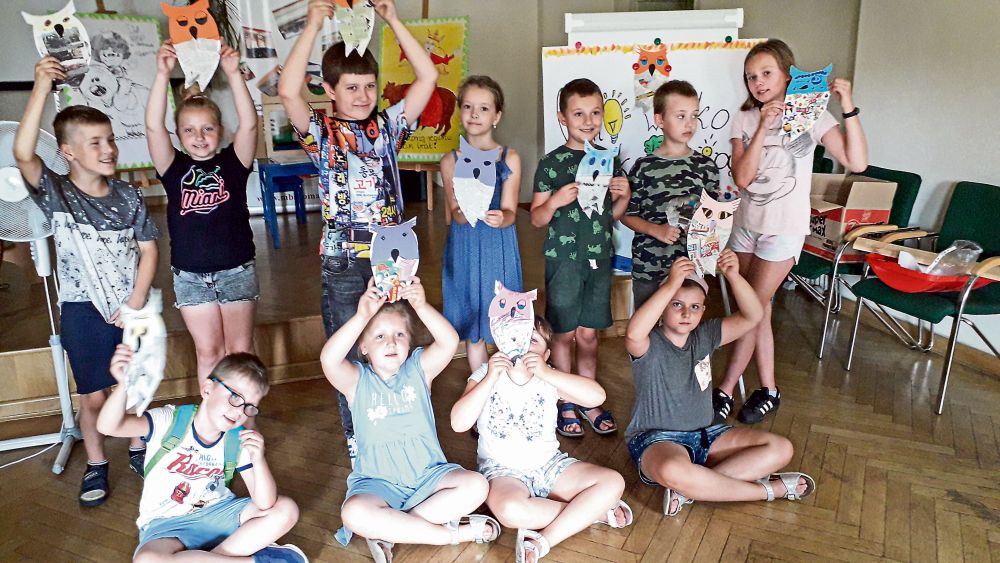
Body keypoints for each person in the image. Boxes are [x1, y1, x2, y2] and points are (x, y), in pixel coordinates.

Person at [277, 0, 438, 459]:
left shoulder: (388, 127)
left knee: (397, 344)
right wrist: (312, 24)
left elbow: (427, 77)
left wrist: (394, 21)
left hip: (393, 256)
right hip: (344, 260)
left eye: (369, 86)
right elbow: (288, 91)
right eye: (351, 87)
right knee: (350, 351)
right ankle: (359, 441)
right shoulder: (321, 133)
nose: (363, 96)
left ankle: (404, 427)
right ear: (329, 89)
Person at [13, 57, 160, 506]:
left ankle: (138, 448)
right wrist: (41, 86)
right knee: (93, 394)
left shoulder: (130, 195)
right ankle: (97, 462)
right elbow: (22, 154)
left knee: (133, 386)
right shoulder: (57, 193)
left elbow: (149, 251)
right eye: (95, 142)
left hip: (131, 310)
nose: (109, 148)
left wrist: (135, 301)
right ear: (68, 152)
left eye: (110, 139)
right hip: (82, 311)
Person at [715, 39, 868, 424]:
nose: (758, 82)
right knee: (759, 308)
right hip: (745, 226)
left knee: (750, 309)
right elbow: (742, 178)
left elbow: (857, 163)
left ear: (787, 74)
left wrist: (848, 106)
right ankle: (768, 389)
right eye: (751, 77)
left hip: (782, 230)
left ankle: (724, 388)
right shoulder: (744, 118)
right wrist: (763, 126)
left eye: (766, 73)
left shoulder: (812, 115)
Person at [320, 278, 500, 562]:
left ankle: (391, 529)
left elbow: (449, 341)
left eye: (400, 334)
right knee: (353, 513)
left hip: (429, 476)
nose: (391, 342)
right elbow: (329, 360)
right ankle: (451, 534)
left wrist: (421, 305)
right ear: (363, 347)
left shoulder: (418, 370)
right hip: (377, 483)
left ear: (409, 342)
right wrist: (362, 316)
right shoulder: (356, 381)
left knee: (477, 485)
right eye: (379, 336)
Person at [625, 250, 815, 517]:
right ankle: (768, 491)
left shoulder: (705, 335)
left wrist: (734, 276)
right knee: (673, 470)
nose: (686, 313)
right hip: (658, 440)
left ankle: (692, 489)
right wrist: (670, 284)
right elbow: (633, 333)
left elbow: (753, 316)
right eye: (677, 304)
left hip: (707, 435)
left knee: (781, 449)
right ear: (662, 306)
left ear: (703, 310)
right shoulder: (648, 343)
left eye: (695, 307)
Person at [97, 347, 305, 562]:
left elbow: (265, 503)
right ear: (207, 389)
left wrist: (258, 460)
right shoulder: (169, 421)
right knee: (147, 560)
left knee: (286, 509)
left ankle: (207, 558)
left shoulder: (237, 438)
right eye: (235, 397)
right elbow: (109, 427)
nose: (239, 411)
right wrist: (123, 385)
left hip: (219, 514)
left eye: (249, 406)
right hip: (166, 526)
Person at [451, 317, 632, 563]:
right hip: (502, 471)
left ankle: (544, 539)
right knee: (510, 511)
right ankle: (592, 513)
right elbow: (459, 423)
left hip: (550, 465)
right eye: (516, 338)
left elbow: (596, 397)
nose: (523, 345)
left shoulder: (549, 378)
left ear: (546, 355)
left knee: (613, 482)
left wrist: (547, 373)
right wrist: (491, 377)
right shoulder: (484, 374)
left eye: (533, 341)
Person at [146, 42, 260, 387]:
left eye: (207, 128)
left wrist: (233, 74)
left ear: (220, 132)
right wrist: (162, 74)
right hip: (191, 275)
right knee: (209, 353)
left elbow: (250, 125)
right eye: (189, 130)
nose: (199, 137)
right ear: (178, 135)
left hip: (236, 270)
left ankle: (243, 413)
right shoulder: (172, 166)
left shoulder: (233, 163)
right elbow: (153, 128)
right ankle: (213, 416)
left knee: (239, 351)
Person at [529, 78, 630, 438]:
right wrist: (556, 200)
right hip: (564, 261)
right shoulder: (551, 164)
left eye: (595, 112)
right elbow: (537, 218)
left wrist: (624, 195)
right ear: (562, 117)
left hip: (599, 259)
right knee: (563, 334)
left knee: (588, 335)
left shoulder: (609, 159)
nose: (588, 121)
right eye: (578, 113)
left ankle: (588, 399)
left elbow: (610, 216)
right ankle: (564, 400)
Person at [441, 75, 523, 372]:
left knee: (505, 319)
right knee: (472, 324)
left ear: (497, 116)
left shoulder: (509, 158)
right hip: (465, 249)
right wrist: (465, 211)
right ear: (460, 111)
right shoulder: (450, 161)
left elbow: (511, 212)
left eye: (484, 108)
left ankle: (509, 388)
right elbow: (454, 212)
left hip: (497, 249)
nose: (474, 114)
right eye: (468, 106)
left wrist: (501, 218)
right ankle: (480, 385)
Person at [621, 80, 722, 309]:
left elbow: (713, 218)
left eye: (694, 115)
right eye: (680, 116)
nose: (689, 123)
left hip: (690, 267)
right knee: (646, 323)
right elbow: (626, 215)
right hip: (649, 268)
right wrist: (655, 230)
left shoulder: (706, 167)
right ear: (660, 120)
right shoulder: (644, 167)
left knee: (684, 323)